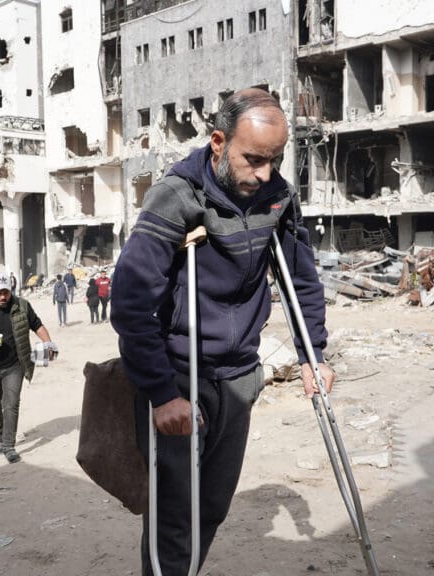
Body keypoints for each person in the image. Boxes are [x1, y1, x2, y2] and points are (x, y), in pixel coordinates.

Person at [110, 88, 335, 575]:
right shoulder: (176, 195)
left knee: (210, 507)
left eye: (274, 160)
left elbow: (301, 280)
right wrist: (160, 393)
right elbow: (130, 301)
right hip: (180, 376)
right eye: (253, 159)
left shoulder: (277, 196)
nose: (264, 174)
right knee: (174, 515)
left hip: (238, 377)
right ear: (218, 141)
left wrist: (312, 354)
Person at [0, 270, 56, 464]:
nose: (4, 296)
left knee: (11, 403)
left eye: (7, 292)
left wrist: (48, 343)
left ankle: (8, 445)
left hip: (16, 364)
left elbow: (37, 325)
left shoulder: (22, 306)